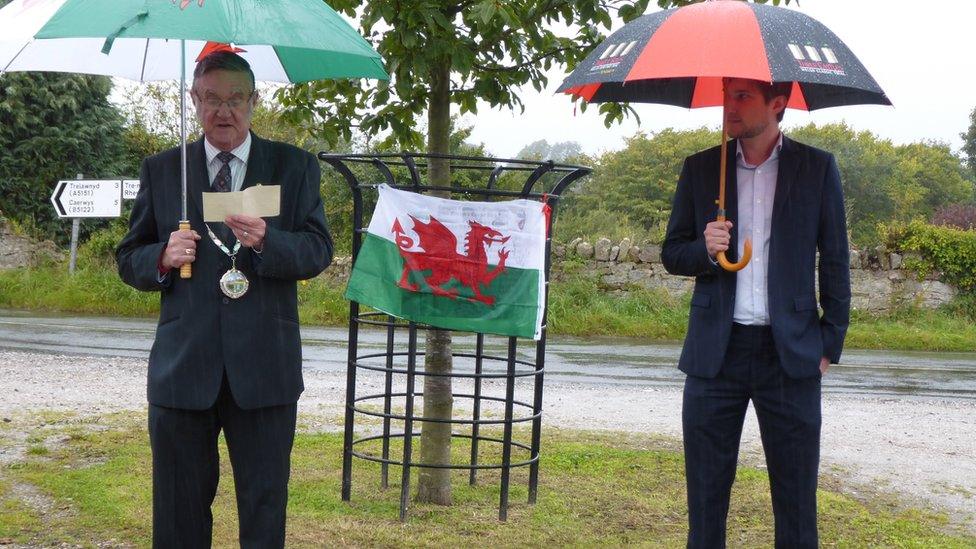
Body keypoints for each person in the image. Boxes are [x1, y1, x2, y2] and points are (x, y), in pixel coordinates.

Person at [116, 50, 332, 548]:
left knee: (263, 508)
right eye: (211, 99)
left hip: (265, 371)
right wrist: (163, 257)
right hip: (183, 371)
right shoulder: (166, 169)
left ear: (254, 101)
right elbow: (128, 257)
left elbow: (319, 250)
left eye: (236, 99)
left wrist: (266, 242)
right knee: (178, 513)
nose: (224, 111)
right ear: (194, 101)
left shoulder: (293, 167)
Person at [661, 77, 851, 549]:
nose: (730, 105)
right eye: (727, 94)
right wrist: (704, 249)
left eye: (742, 96)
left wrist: (829, 343)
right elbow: (671, 252)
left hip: (790, 355)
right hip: (714, 357)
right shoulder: (702, 169)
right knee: (705, 502)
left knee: (796, 503)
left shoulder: (817, 168)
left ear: (778, 104)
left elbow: (835, 259)